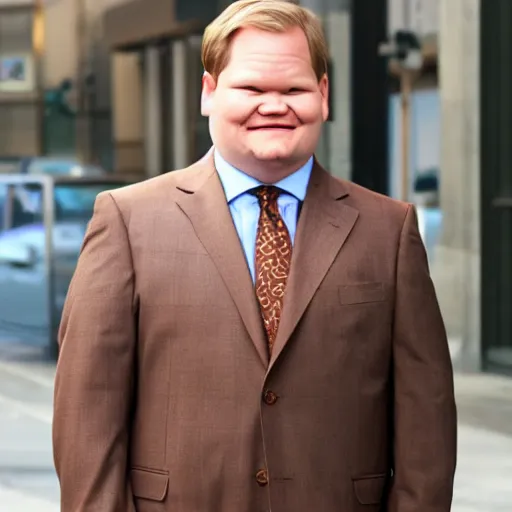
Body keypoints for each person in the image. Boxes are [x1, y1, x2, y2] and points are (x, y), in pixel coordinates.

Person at [52, 1, 457, 511]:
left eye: (294, 89)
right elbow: (87, 417)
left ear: (323, 96)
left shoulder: (389, 230)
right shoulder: (127, 221)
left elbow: (427, 421)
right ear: (209, 93)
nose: (273, 105)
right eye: (251, 89)